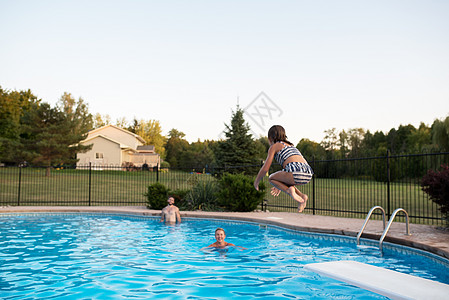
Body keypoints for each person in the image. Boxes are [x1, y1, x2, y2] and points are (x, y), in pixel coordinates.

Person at [254, 125, 313, 213]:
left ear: (270, 138)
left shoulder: (274, 146)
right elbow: (290, 168)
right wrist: (280, 184)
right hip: (308, 173)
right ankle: (302, 196)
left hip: (295, 172)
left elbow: (265, 168)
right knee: (285, 180)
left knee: (271, 178)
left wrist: (256, 182)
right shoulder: (291, 146)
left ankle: (289, 191)